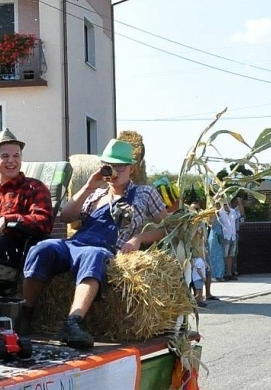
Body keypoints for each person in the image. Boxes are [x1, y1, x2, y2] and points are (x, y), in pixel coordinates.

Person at [21, 139, 168, 349]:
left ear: (131, 168)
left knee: (94, 255)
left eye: (120, 166)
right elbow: (66, 217)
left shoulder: (145, 193)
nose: (114, 171)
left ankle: (73, 322)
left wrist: (138, 239)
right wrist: (89, 187)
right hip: (76, 243)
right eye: (109, 165)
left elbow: (168, 228)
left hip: (103, 248)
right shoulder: (97, 193)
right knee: (41, 248)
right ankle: (25, 314)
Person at [0, 129, 54, 282]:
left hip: (15, 247)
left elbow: (45, 222)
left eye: (16, 155)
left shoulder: (34, 187)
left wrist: (7, 220)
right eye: (5, 156)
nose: (12, 160)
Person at [206, 193, 240, 287]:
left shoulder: (231, 212)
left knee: (222, 255)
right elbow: (210, 224)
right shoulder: (216, 213)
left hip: (224, 235)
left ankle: (222, 274)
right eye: (217, 205)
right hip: (217, 235)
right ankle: (216, 275)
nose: (218, 206)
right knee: (217, 255)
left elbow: (239, 215)